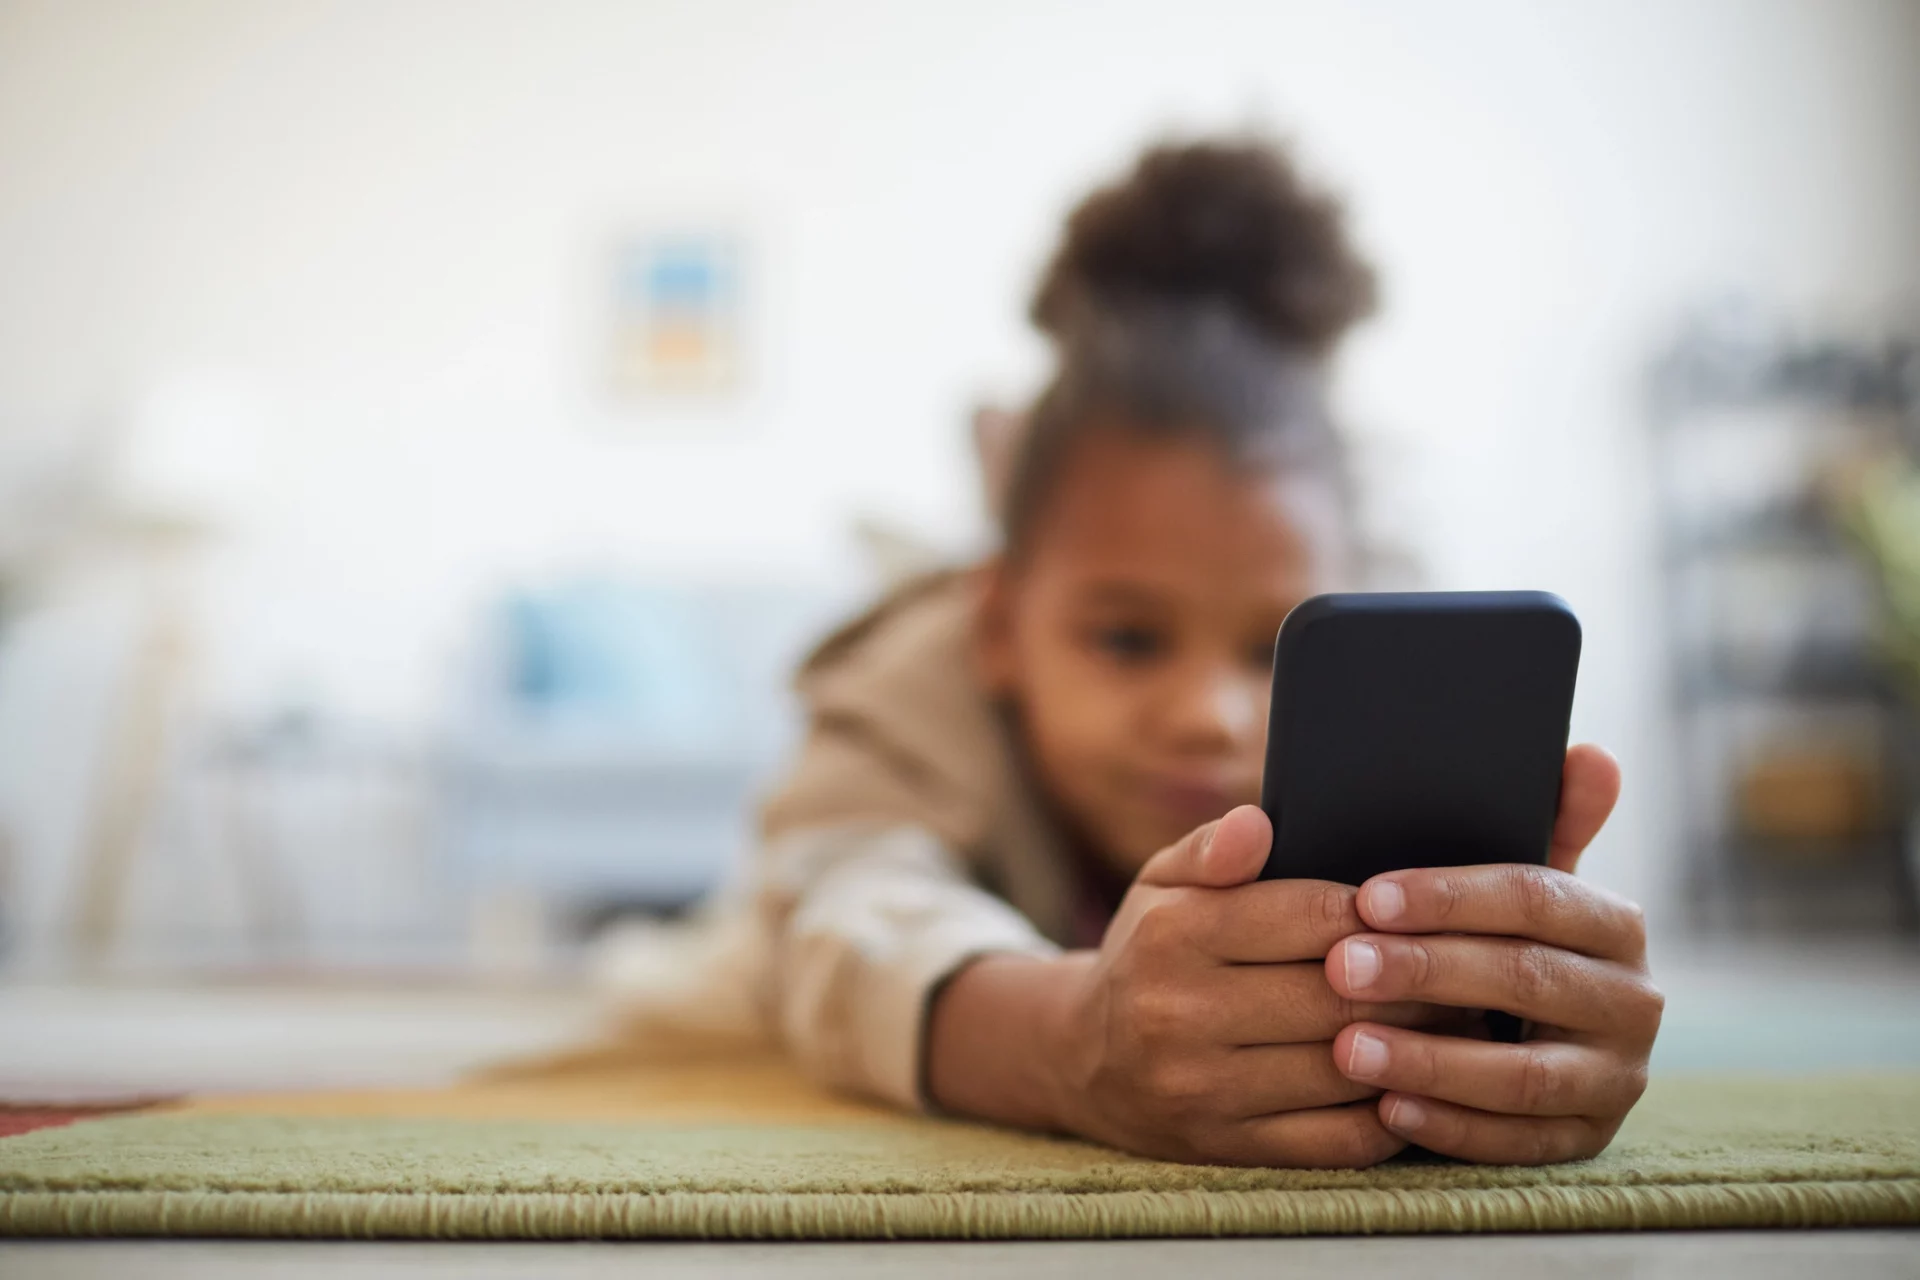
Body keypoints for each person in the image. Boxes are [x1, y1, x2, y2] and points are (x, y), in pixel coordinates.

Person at [748, 138, 1661, 1168]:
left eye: (1279, 647)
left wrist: (1515, 997)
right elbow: (836, 927)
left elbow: (1503, 976)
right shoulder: (915, 679)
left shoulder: (1393, 719)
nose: (1207, 716)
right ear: (999, 626)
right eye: (1128, 637)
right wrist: (1069, 1037)